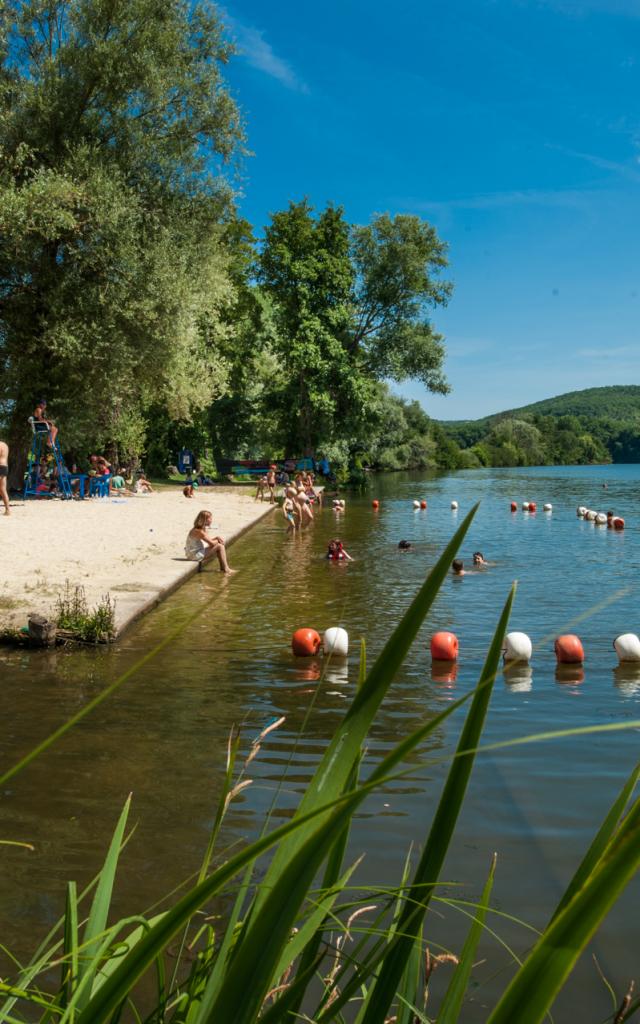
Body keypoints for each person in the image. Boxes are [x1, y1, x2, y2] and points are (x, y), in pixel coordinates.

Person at [0, 441, 10, 515]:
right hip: (5, 466)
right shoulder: (5, 445)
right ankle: (7, 510)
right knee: (3, 490)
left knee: (2, 490)